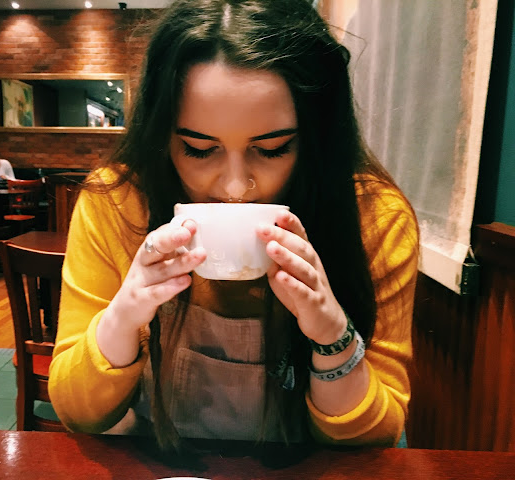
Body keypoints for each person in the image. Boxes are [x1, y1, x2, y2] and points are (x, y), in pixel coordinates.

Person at [49, 0, 418, 453]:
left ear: (316, 138)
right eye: (199, 149)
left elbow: (378, 437)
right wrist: (124, 318)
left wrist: (332, 336)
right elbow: (79, 414)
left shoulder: (374, 217)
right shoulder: (118, 201)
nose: (235, 188)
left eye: (273, 148)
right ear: (161, 135)